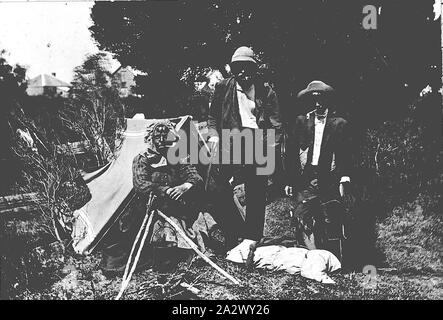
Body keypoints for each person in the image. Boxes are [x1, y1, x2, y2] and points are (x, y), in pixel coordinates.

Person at [100, 120, 219, 275]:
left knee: (191, 222)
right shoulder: (142, 159)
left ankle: (183, 251)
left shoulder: (177, 156)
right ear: (151, 138)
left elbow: (195, 177)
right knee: (132, 242)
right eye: (158, 136)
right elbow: (141, 184)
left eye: (166, 135)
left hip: (176, 207)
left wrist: (185, 186)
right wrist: (165, 190)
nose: (162, 140)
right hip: (149, 208)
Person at [207, 46, 283, 250]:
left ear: (254, 69)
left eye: (247, 68)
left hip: (257, 139)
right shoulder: (223, 87)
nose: (242, 73)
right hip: (230, 139)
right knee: (217, 186)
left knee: (257, 192)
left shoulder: (266, 90)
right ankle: (233, 232)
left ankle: (252, 238)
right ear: (233, 69)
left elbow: (276, 124)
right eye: (238, 68)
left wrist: (269, 149)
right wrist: (214, 136)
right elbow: (213, 116)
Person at [284, 80, 354, 251]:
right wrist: (290, 181)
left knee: (332, 215)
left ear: (328, 100)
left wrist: (344, 178)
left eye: (321, 99)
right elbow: (292, 153)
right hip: (307, 178)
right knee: (301, 215)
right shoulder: (301, 122)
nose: (317, 104)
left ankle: (335, 257)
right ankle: (312, 254)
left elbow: (346, 153)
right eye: (313, 100)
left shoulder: (339, 124)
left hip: (330, 178)